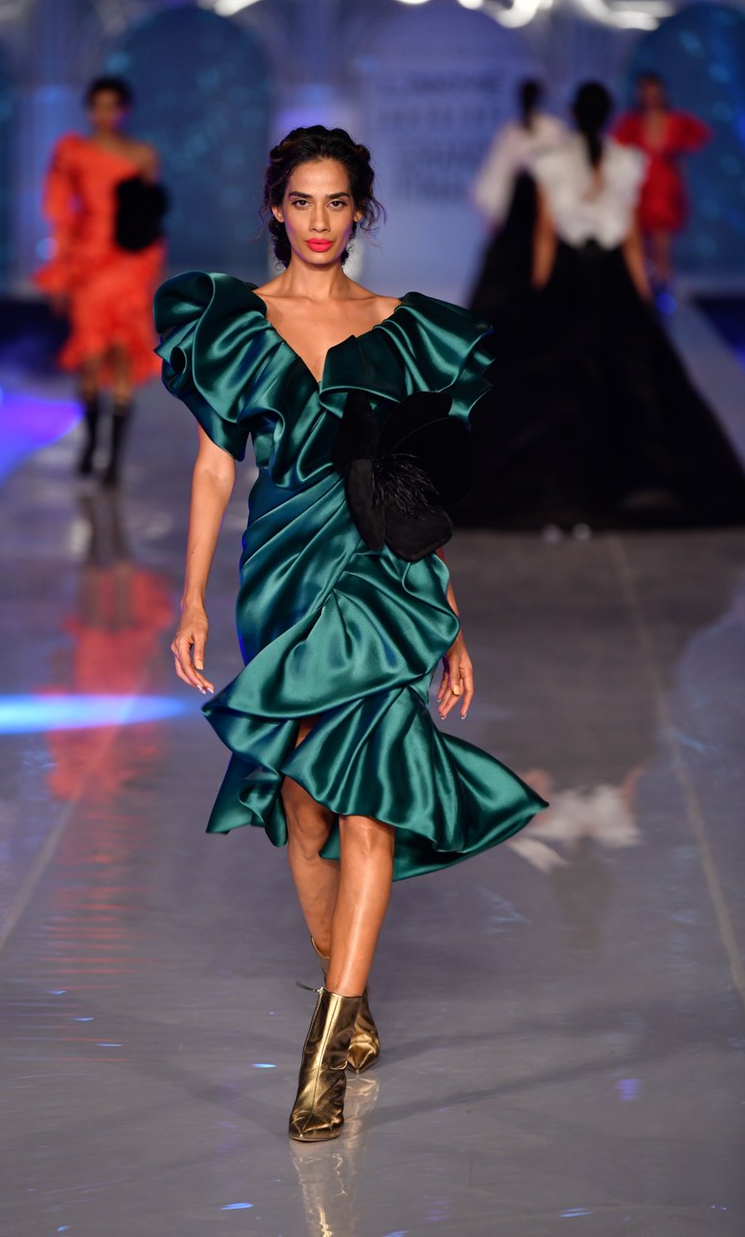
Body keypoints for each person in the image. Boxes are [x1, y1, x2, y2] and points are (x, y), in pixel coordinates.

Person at [154, 126, 547, 1143]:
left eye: (337, 202)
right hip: (281, 579)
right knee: (305, 807)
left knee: (369, 805)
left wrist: (447, 614)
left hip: (378, 579)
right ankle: (351, 991)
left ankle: (323, 1052)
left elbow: (414, 492)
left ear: (362, 211)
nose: (320, 221)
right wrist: (192, 598)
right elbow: (214, 469)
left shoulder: (401, 329)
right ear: (275, 209)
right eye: (303, 201)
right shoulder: (234, 324)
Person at [464, 82, 745, 531]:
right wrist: (642, 294)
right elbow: (630, 238)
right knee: (630, 378)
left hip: (569, 279)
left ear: (574, 114)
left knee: (560, 379)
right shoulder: (624, 161)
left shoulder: (554, 161)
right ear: (608, 114)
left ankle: (569, 482)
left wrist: (539, 290)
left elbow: (546, 234)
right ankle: (628, 481)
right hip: (612, 281)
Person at [35, 76, 166, 486]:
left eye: (112, 106)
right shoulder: (73, 152)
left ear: (125, 110)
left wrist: (152, 270)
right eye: (98, 106)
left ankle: (113, 461)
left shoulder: (142, 155)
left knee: (124, 348)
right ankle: (93, 442)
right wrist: (59, 273)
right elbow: (61, 214)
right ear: (89, 110)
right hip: (89, 262)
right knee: (91, 355)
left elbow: (150, 216)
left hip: (130, 263)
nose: (105, 114)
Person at [469, 79, 566, 321]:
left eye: (529, 96)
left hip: (545, 206)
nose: (526, 101)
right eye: (524, 97)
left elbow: (561, 174)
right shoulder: (510, 132)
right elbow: (497, 173)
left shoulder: (553, 130)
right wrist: (494, 215)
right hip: (516, 214)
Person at [613, 72, 710, 290]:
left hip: (665, 189)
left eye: (654, 92)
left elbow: (698, 136)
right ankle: (645, 289)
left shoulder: (675, 121)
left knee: (662, 244)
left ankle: (663, 289)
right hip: (640, 189)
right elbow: (616, 148)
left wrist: (677, 158)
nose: (650, 97)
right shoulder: (632, 124)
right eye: (646, 92)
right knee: (640, 244)